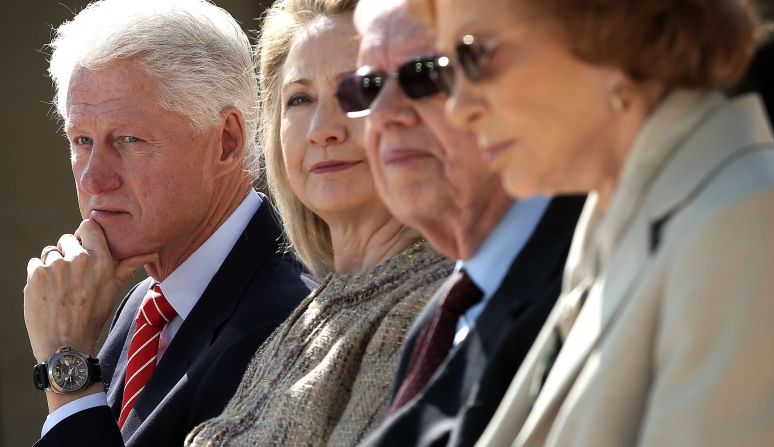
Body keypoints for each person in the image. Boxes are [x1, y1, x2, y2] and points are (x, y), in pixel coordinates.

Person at [416, 0, 774, 445]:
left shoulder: (750, 224)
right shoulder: (613, 219)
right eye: (444, 68)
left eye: (474, 54)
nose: (458, 107)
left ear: (614, 31)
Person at [23, 0, 308, 445]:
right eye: (81, 140)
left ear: (227, 142)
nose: (94, 178)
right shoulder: (142, 304)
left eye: (129, 139)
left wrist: (68, 364)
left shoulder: (291, 323)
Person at [185, 0, 453, 445]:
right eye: (300, 99)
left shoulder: (431, 307)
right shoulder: (312, 311)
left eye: (361, 90)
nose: (322, 129)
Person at [331, 1, 583, 445]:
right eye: (368, 87)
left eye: (425, 75)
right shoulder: (443, 313)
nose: (387, 113)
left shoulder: (581, 272)